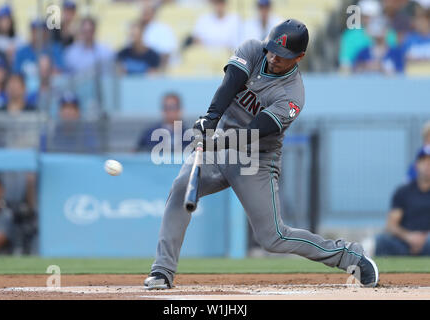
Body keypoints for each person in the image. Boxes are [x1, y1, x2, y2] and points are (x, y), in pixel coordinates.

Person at [144, 19, 379, 290]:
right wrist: (209, 120)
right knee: (181, 188)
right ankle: (162, 271)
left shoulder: (292, 95)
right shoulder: (253, 50)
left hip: (256, 159)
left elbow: (254, 133)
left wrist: (216, 142)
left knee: (273, 237)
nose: (274, 57)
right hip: (220, 147)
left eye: (283, 56)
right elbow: (229, 85)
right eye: (272, 50)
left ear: (300, 57)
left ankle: (349, 256)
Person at [375, 145, 430, 256]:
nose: (427, 166)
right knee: (381, 241)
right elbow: (391, 225)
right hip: (405, 243)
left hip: (428, 242)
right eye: (424, 161)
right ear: (416, 165)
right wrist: (409, 237)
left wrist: (425, 238)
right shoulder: (403, 192)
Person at [339, 0, 397, 73]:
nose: (369, 20)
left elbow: (395, 59)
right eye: (366, 16)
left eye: (373, 16)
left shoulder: (390, 34)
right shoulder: (350, 35)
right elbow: (345, 65)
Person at [140, 2, 177, 70]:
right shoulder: (137, 28)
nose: (144, 16)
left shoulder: (163, 29)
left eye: (147, 13)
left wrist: (158, 71)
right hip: (141, 68)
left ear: (153, 13)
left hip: (158, 69)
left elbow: (167, 53)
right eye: (143, 13)